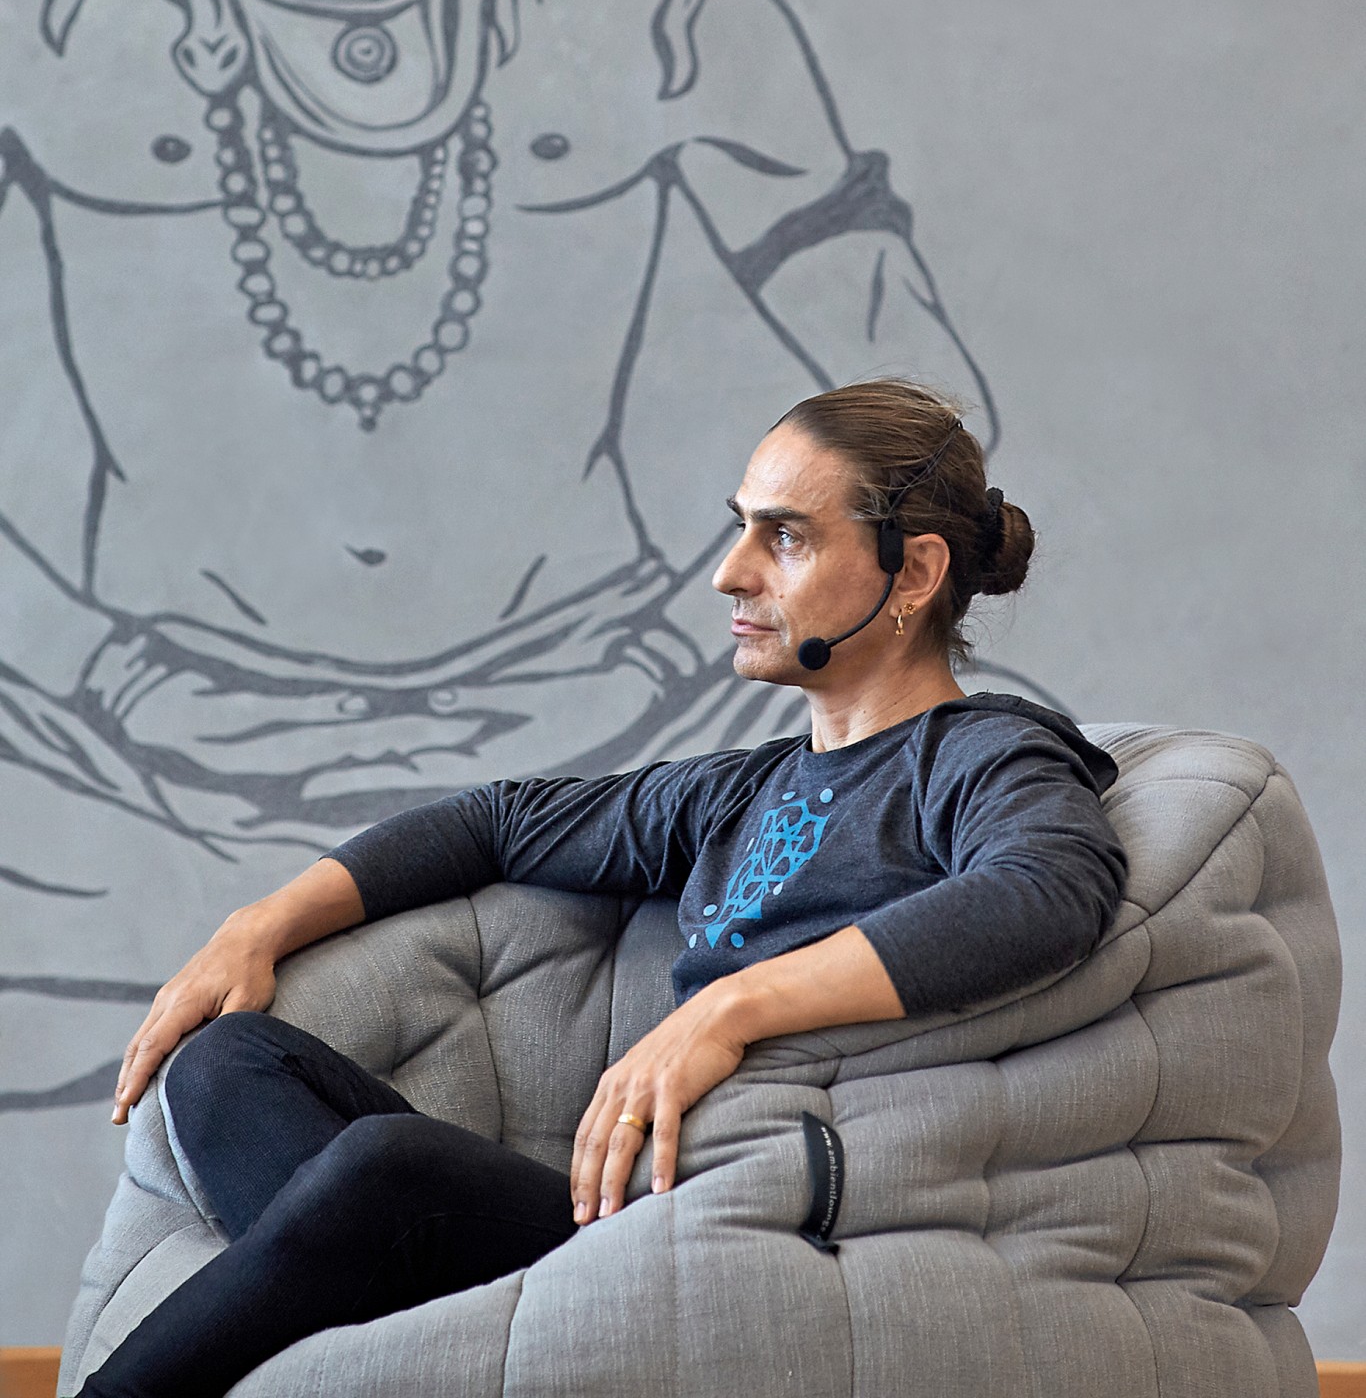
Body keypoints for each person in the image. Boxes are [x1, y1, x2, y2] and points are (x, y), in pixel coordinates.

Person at [0, 0, 1003, 1116]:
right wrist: (93, 669)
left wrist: (703, 621)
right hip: (119, 767)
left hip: (602, 739)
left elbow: (922, 394)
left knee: (899, 860)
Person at [82, 380, 1127, 1398]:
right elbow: (494, 823)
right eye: (741, 528)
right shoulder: (738, 790)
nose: (729, 572)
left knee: (385, 1171)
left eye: (785, 537)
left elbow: (1048, 889)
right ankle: (406, 1341)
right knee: (223, 1062)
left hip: (742, 1229)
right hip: (608, 1224)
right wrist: (257, 926)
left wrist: (730, 1006)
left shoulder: (980, 752)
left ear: (914, 570)